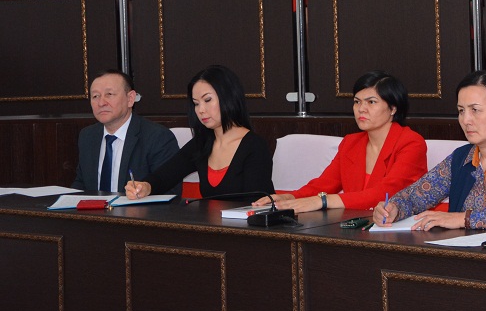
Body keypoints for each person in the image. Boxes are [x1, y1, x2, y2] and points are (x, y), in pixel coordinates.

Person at [372, 70, 486, 230]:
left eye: (475, 110)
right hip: (464, 253)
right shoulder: (460, 158)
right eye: (461, 111)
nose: (466, 120)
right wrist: (394, 207)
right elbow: (416, 196)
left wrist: (462, 219)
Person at [253, 72, 427, 213]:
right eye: (357, 102)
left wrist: (323, 201)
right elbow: (324, 184)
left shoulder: (411, 143)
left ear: (393, 108)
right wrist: (290, 197)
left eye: (371, 102)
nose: (361, 109)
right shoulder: (351, 142)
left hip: (394, 227)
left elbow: (386, 194)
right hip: (353, 225)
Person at [126, 65, 274, 200]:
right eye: (196, 103)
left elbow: (258, 204)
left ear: (228, 97)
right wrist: (145, 187)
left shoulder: (254, 146)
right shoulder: (202, 143)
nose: (201, 110)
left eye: (207, 100)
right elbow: (165, 176)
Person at [73, 70, 179, 193]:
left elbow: (171, 191)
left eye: (109, 94)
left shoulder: (158, 137)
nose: (101, 103)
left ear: (130, 99)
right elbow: (81, 183)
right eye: (95, 96)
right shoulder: (87, 136)